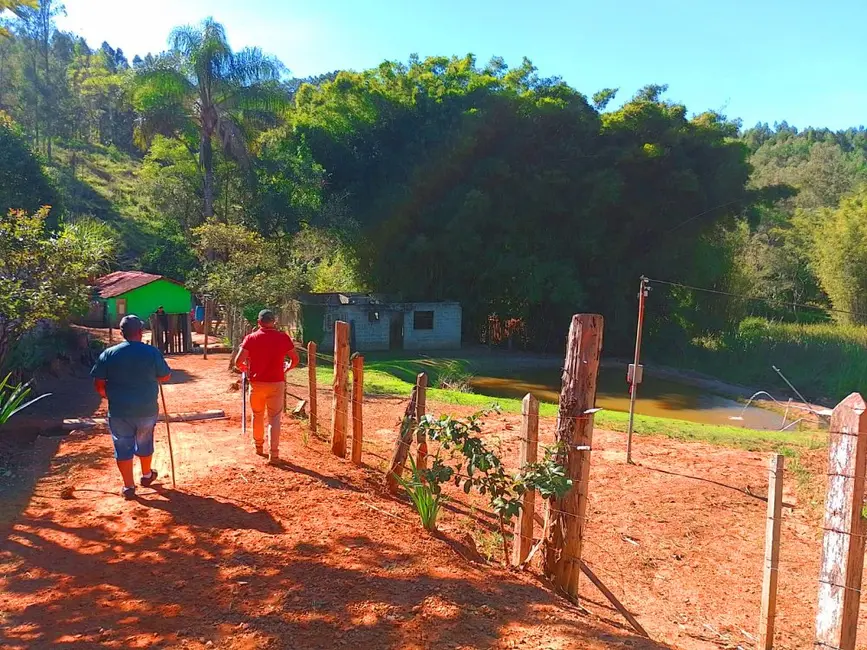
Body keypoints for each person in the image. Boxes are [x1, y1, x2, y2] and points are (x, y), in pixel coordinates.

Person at [91, 315, 172, 499]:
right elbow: (165, 376)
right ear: (140, 332)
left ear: (122, 333)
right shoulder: (151, 352)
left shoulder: (109, 354)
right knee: (144, 441)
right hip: (146, 409)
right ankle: (146, 475)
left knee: (122, 445)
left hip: (119, 410)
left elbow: (99, 383)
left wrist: (108, 395)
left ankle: (128, 487)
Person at [232, 309, 299, 464]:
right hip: (276, 382)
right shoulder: (283, 338)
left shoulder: (251, 338)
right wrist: (287, 368)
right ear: (274, 321)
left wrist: (245, 369)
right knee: (274, 418)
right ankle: (274, 453)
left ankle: (258, 446)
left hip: (257, 383)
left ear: (259, 322)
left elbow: (238, 361)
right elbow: (295, 358)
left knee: (257, 414)